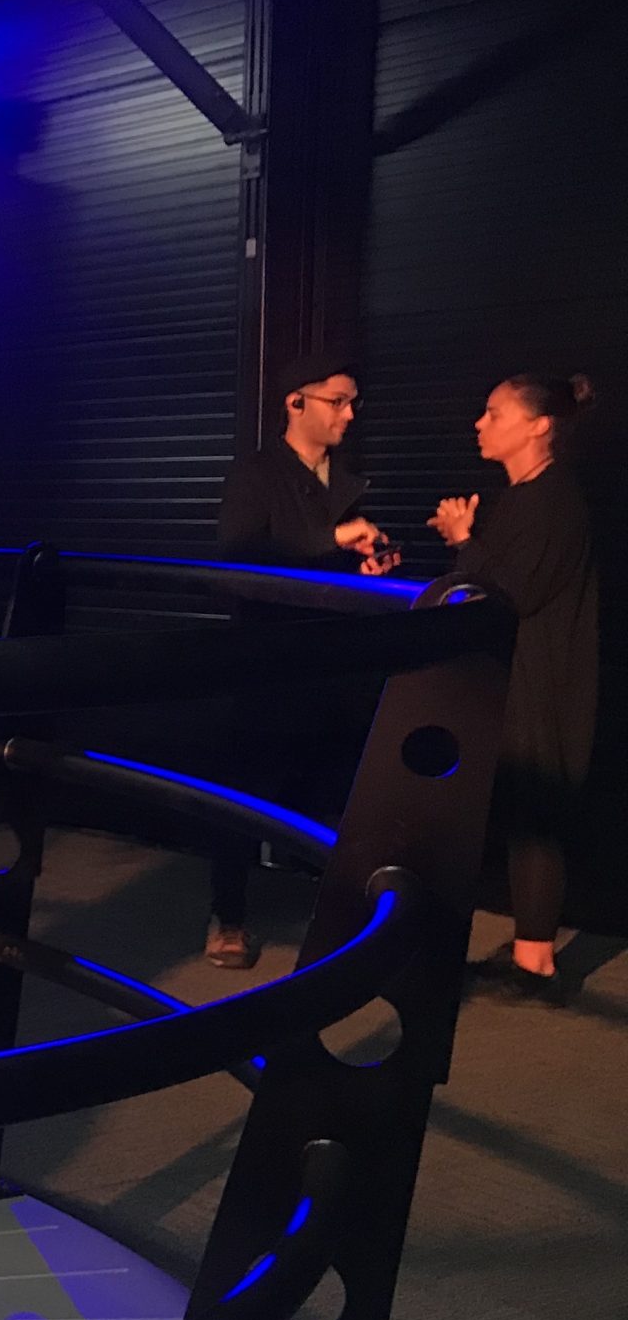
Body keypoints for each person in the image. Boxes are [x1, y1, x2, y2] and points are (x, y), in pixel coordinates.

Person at [204, 356, 398, 968]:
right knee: (245, 791)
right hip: (266, 663)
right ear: (296, 402)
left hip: (333, 662)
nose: (349, 414)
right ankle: (228, 916)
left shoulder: (349, 478)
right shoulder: (256, 474)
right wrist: (331, 540)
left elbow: (339, 566)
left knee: (337, 790)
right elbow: (238, 558)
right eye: (337, 400)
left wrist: (371, 566)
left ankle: (337, 917)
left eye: (353, 402)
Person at [430, 372, 600, 1002]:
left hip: (544, 679)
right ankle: (530, 951)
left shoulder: (555, 500)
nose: (481, 423)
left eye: (495, 413)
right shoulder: (524, 498)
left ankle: (535, 962)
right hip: (515, 675)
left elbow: (512, 594)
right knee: (518, 808)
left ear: (538, 425)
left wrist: (465, 541)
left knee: (535, 810)